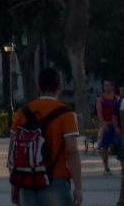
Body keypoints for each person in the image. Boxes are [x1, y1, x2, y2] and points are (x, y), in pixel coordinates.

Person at [8, 67, 82, 206]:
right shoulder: (66, 114)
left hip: (28, 181)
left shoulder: (22, 113)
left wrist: (15, 186)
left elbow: (13, 154)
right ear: (60, 87)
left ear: (38, 87)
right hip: (57, 179)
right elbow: (72, 152)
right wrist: (78, 188)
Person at [95, 80, 120, 176]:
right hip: (106, 124)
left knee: (120, 145)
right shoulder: (100, 99)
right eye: (104, 85)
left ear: (112, 87)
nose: (106, 87)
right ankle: (106, 167)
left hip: (115, 125)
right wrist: (103, 125)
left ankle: (123, 166)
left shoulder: (117, 98)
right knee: (105, 147)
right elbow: (99, 113)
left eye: (108, 85)